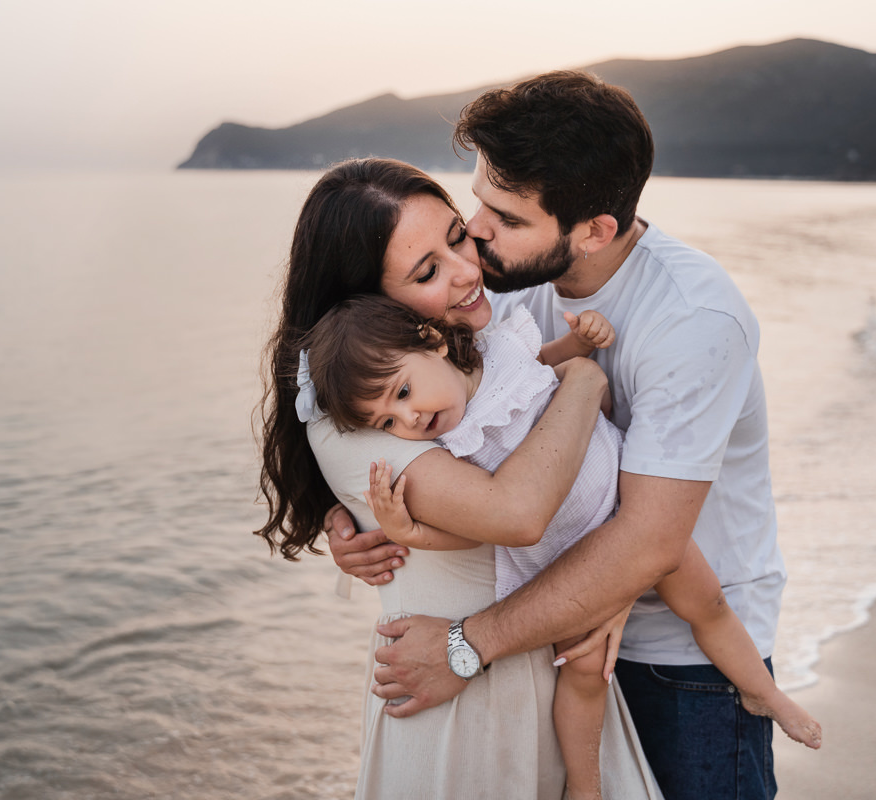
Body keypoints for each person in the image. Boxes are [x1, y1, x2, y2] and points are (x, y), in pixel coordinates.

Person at [327, 71, 793, 799]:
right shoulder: (500, 289)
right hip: (551, 634)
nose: (476, 232)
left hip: (684, 657)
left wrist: (459, 649)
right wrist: (354, 517)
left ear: (595, 231)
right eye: (477, 200)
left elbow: (648, 541)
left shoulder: (694, 321)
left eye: (506, 218)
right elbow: (411, 404)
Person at [255, 158, 662, 799]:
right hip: (459, 695)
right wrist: (584, 381)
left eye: (455, 236)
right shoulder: (355, 421)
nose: (469, 270)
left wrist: (616, 579)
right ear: (365, 300)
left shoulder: (475, 337)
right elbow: (520, 512)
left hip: (550, 662)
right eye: (427, 271)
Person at [304, 295, 821, 799]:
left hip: (629, 515)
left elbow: (553, 365)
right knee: (585, 672)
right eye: (388, 424)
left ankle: (762, 691)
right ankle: (585, 785)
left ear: (434, 342)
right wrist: (410, 533)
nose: (409, 419)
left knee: (709, 603)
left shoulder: (502, 351)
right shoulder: (446, 450)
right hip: (571, 558)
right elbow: (482, 529)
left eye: (404, 392)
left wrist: (580, 340)